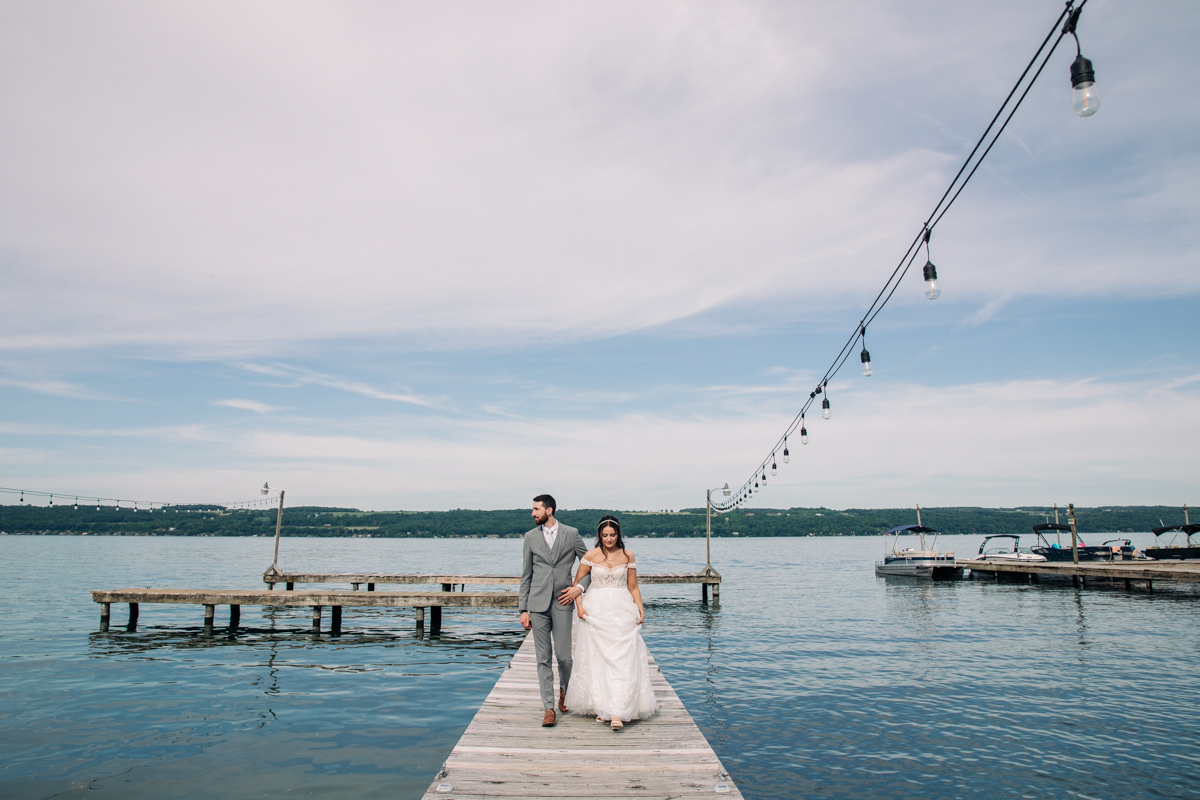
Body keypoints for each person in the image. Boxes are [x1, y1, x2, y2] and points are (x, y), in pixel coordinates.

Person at [565, 514, 658, 730]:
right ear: (599, 535)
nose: (609, 539)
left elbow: (633, 586)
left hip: (621, 609)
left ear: (618, 534)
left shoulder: (627, 555)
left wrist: (640, 608)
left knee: (622, 658)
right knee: (598, 659)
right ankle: (603, 706)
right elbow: (577, 582)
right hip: (596, 609)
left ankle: (618, 710)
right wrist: (579, 606)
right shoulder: (590, 555)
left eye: (612, 535)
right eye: (605, 535)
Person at [518, 494, 590, 727]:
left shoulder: (571, 534)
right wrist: (523, 609)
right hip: (537, 605)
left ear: (549, 510)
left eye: (536, 509)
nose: (533, 513)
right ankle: (548, 707)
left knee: (564, 657)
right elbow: (526, 574)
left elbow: (589, 565)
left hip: (563, 602)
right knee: (543, 658)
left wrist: (578, 588)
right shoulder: (530, 537)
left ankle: (565, 692)